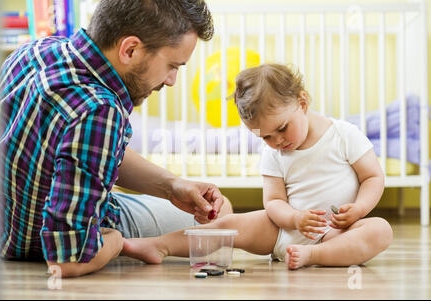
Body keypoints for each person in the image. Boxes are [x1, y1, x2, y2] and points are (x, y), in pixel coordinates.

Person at [0, 0, 233, 278]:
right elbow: (67, 261)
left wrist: (173, 186)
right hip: (42, 244)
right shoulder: (99, 108)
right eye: (173, 65)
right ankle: (148, 246)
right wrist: (116, 241)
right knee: (224, 212)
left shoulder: (31, 53)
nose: (171, 81)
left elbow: (85, 150)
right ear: (130, 49)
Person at [121, 63, 393, 270]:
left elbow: (372, 177)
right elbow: (273, 201)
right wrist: (294, 219)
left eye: (282, 128)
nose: (276, 141)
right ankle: (160, 245)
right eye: (264, 136)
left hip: (335, 233)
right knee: (229, 224)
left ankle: (315, 255)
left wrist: (359, 209)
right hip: (282, 230)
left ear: (302, 102)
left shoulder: (344, 134)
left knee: (380, 229)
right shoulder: (273, 152)